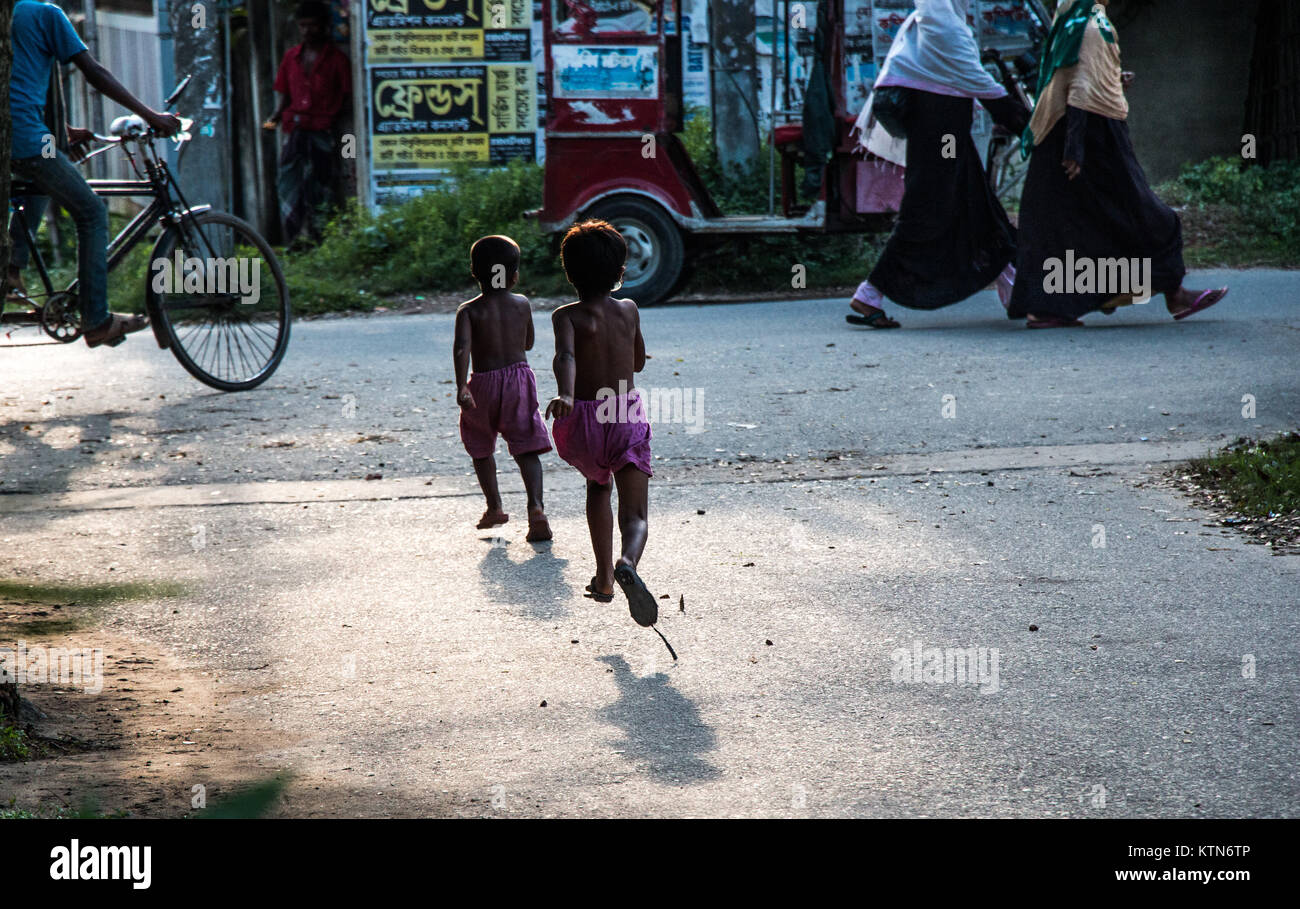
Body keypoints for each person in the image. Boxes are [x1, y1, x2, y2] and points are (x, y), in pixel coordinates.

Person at [1008, 0, 1227, 328]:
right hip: (1091, 138)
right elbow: (1080, 89)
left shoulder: (1072, 19)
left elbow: (1073, 74)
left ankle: (1048, 308)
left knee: (1069, 229)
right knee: (1147, 218)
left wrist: (1110, 78)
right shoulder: (1091, 26)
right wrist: (1075, 149)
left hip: (1064, 134)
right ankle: (1172, 293)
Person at [6, 0, 181, 347]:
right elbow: (94, 72)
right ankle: (97, 319)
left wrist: (63, 130)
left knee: (47, 173)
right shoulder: (46, 14)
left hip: (24, 135)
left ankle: (12, 268)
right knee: (92, 211)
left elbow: (16, 85)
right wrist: (152, 116)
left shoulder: (9, 14)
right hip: (28, 138)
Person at [847, 0, 1029, 329]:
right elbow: (977, 80)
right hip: (939, 128)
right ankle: (870, 293)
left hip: (945, 127)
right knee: (928, 206)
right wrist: (1024, 121)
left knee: (975, 201)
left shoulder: (935, 22)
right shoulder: (940, 22)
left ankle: (1012, 283)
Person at [544, 221, 658, 628]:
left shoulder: (566, 316)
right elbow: (639, 362)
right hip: (623, 412)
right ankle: (627, 561)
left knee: (597, 486)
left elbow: (566, 358)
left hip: (585, 419)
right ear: (620, 272)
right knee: (636, 514)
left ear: (570, 273)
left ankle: (605, 578)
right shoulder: (629, 309)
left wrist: (568, 394)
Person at [454, 235, 553, 542]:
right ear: (514, 275)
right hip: (518, 381)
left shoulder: (468, 311)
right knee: (526, 447)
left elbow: (462, 350)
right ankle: (536, 507)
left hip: (482, 383)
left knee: (481, 445)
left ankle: (494, 506)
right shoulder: (522, 303)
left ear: (475, 272)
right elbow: (529, 343)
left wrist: (462, 387)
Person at [266, 1, 351, 245]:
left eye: (311, 26)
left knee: (321, 188)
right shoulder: (291, 56)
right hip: (295, 130)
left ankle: (320, 240)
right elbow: (284, 93)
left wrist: (331, 119)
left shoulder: (337, 59)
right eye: (303, 26)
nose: (306, 31)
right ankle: (293, 241)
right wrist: (274, 117)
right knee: (287, 185)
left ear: (323, 27)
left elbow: (345, 96)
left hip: (323, 132)